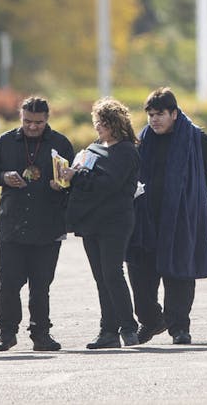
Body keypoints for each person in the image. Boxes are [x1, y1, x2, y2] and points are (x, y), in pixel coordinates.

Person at [128, 87, 207, 345]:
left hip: (179, 219)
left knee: (179, 277)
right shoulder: (143, 139)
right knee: (140, 277)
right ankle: (152, 321)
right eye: (151, 114)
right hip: (146, 219)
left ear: (174, 114)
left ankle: (179, 328)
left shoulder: (195, 138)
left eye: (160, 114)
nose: (154, 120)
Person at [0, 95, 75, 352]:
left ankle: (41, 334)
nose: (32, 127)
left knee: (41, 284)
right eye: (27, 121)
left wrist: (64, 183)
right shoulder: (5, 141)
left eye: (38, 122)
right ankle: (7, 333)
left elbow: (75, 180)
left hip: (48, 224)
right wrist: (3, 176)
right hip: (13, 224)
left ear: (47, 119)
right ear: (20, 118)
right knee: (9, 283)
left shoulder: (60, 143)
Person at [60, 97, 142, 349]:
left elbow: (109, 184)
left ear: (114, 124)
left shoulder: (126, 151)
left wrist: (78, 176)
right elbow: (88, 179)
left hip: (115, 221)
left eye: (101, 123)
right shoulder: (93, 148)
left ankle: (128, 327)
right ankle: (108, 330)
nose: (97, 127)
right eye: (96, 122)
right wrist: (66, 176)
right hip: (91, 221)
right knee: (101, 277)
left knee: (112, 273)